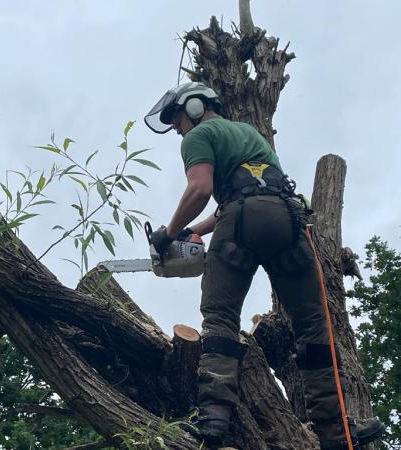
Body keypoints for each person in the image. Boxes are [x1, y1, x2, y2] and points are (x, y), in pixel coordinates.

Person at [144, 82, 384, 449]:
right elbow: (250, 191)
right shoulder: (249, 133)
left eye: (176, 119)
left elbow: (200, 189)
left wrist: (168, 234)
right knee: (313, 325)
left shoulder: (198, 136)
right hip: (288, 220)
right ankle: (335, 430)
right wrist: (193, 231)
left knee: (220, 317)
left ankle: (213, 420)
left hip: (239, 222)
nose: (177, 127)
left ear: (193, 107)